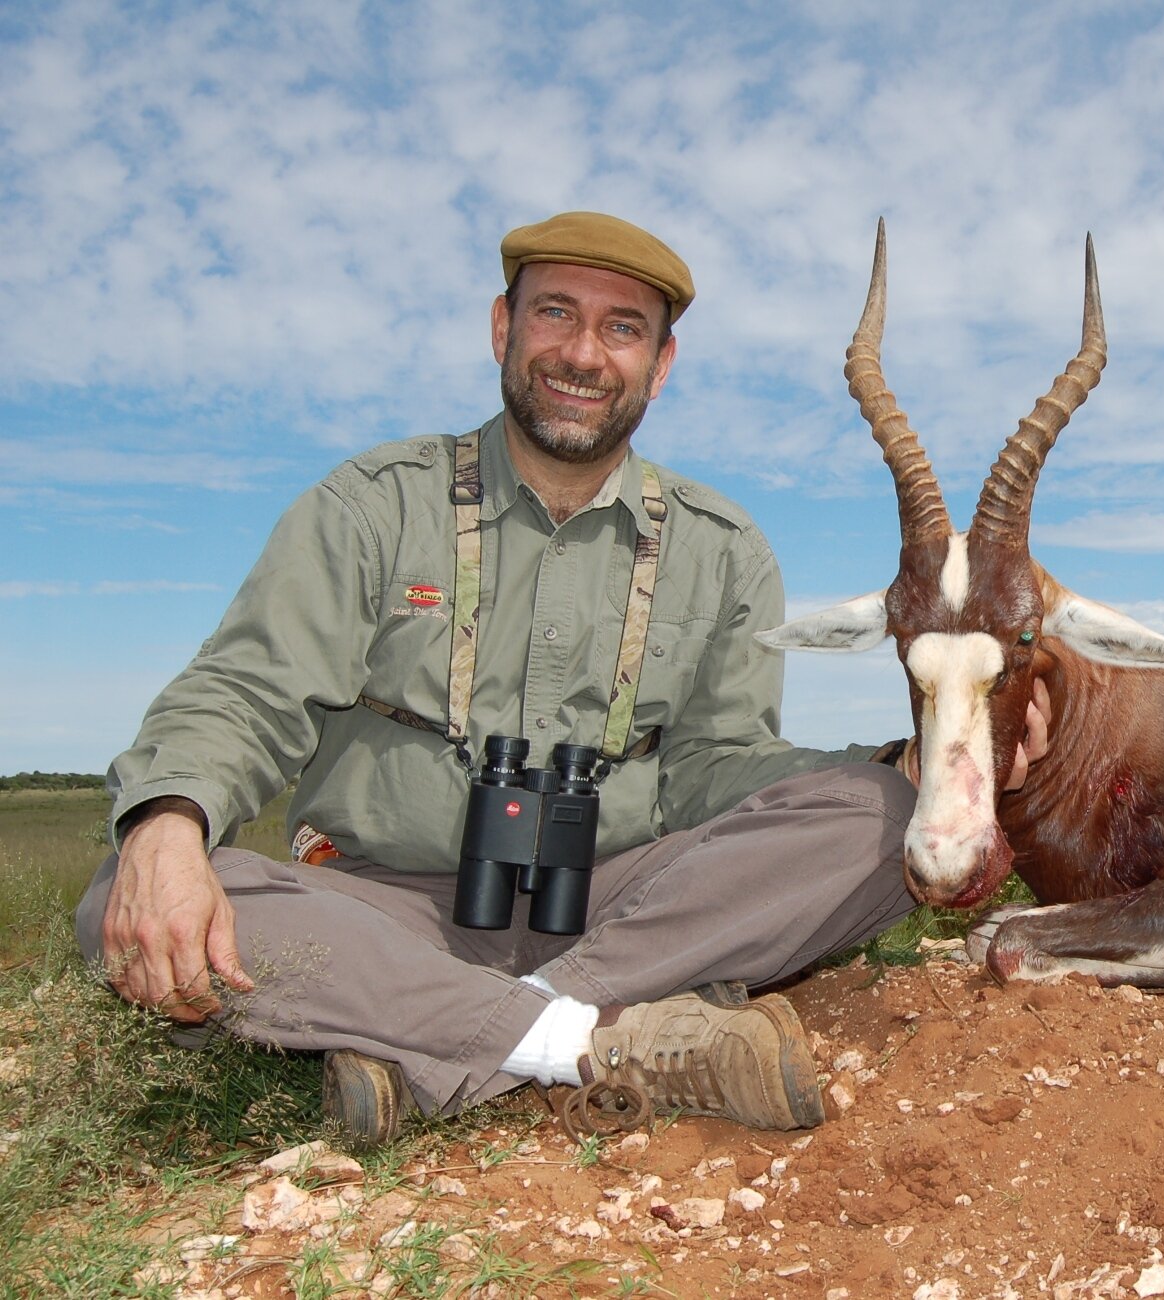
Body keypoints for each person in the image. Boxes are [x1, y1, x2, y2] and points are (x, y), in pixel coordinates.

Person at [77, 211, 1045, 1145]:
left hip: (621, 902)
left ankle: (447, 1045)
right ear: (503, 326)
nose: (584, 353)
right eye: (555, 314)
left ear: (658, 365)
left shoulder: (721, 547)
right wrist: (167, 821)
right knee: (126, 887)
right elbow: (243, 692)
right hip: (384, 905)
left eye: (622, 328)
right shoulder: (371, 504)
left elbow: (714, 766)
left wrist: (900, 759)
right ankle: (583, 1041)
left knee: (876, 817)